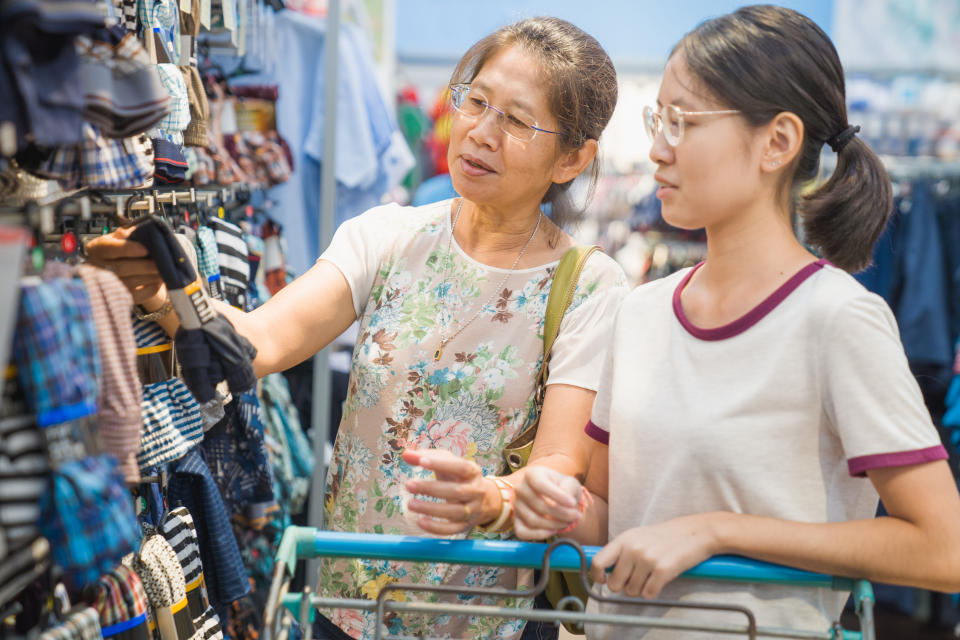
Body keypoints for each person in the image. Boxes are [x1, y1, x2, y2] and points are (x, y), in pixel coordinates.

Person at [87, 16, 626, 640]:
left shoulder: (589, 284)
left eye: (516, 120)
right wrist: (168, 293)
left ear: (573, 158)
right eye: (476, 101)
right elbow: (264, 343)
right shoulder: (388, 236)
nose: (480, 132)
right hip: (348, 608)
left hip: (485, 620)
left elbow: (560, 463)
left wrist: (492, 500)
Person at [511, 5, 960, 638]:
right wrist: (544, 503)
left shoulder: (839, 318)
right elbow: (614, 517)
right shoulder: (640, 312)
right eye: (655, 120)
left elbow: (944, 551)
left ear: (777, 141)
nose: (657, 149)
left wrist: (715, 531)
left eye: (682, 123)